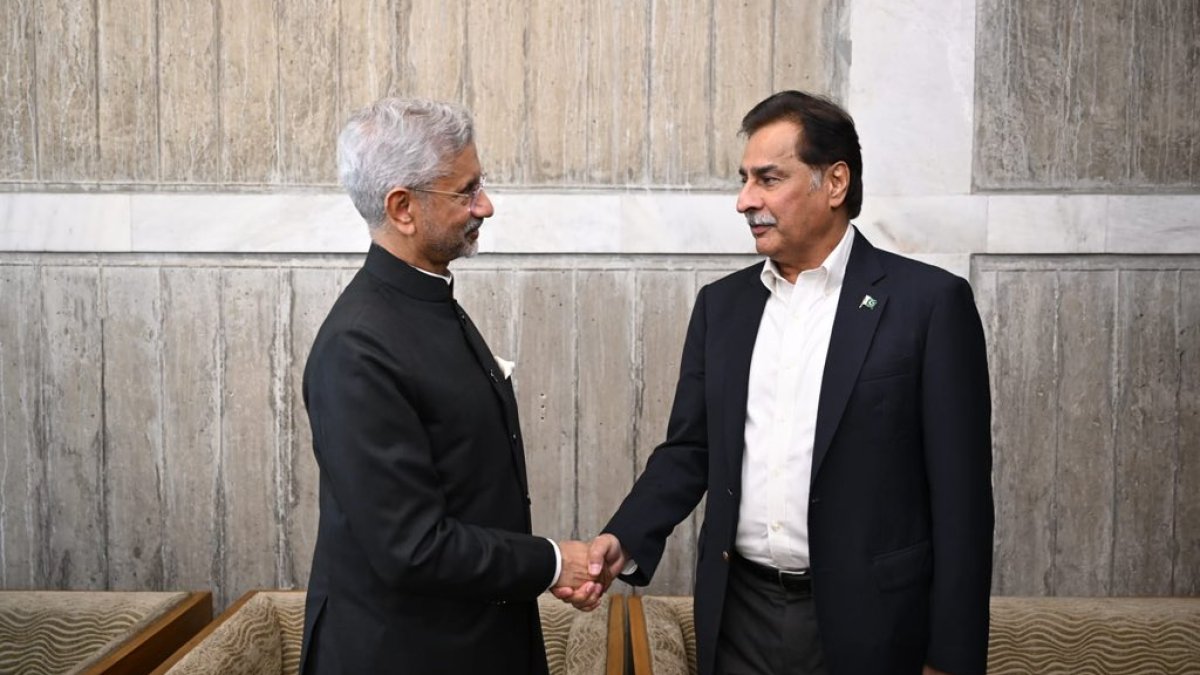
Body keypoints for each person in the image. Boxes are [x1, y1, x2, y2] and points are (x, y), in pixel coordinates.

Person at [564, 91, 994, 674]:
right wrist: (626, 537)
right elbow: (691, 449)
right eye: (745, 180)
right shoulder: (722, 307)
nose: (746, 200)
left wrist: (950, 660)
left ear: (834, 182)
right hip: (739, 616)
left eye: (768, 179)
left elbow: (962, 502)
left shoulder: (929, 305)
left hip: (872, 624)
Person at [300, 98, 595, 674]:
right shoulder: (357, 347)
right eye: (466, 191)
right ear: (403, 208)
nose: (485, 205)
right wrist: (555, 562)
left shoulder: (425, 300)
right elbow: (412, 547)